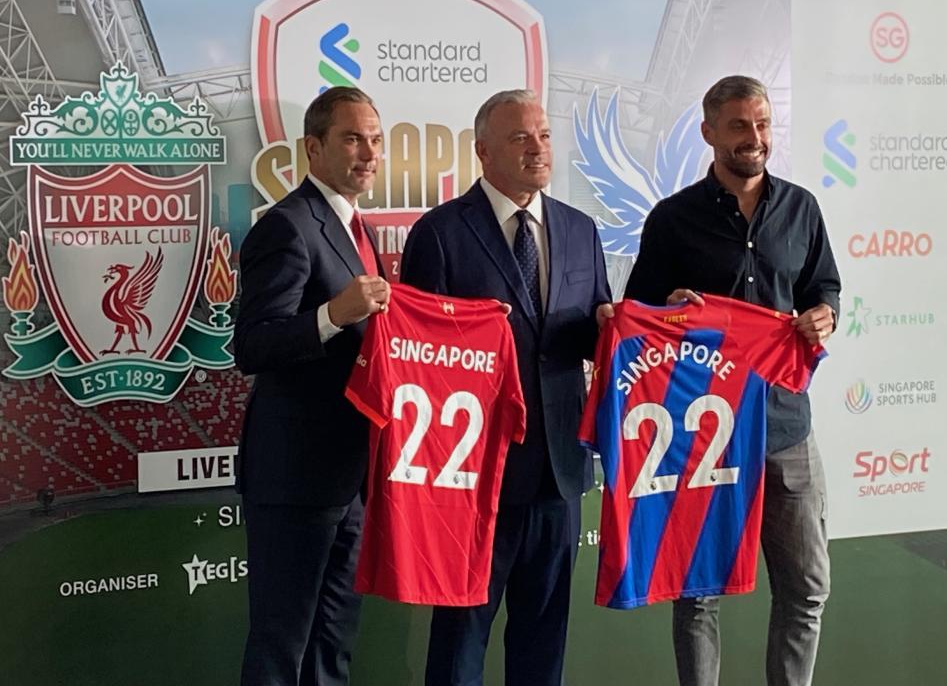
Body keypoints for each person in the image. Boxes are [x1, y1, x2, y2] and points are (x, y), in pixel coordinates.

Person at [624, 75, 841, 686]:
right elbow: (638, 314)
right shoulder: (672, 219)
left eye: (764, 125)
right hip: (704, 436)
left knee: (806, 590)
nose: (755, 138)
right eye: (741, 126)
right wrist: (670, 308)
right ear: (709, 132)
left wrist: (826, 313)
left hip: (785, 427)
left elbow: (823, 285)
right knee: (697, 593)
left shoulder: (801, 207)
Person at [401, 89, 613, 686]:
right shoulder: (439, 234)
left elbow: (594, 329)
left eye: (544, 136)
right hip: (475, 477)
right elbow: (421, 360)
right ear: (483, 151)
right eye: (521, 137)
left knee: (543, 641)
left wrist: (644, 325)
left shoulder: (579, 229)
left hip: (560, 472)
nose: (537, 149)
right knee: (459, 642)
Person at [234, 86, 390, 686]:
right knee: (281, 647)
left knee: (332, 646)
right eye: (352, 139)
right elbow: (253, 345)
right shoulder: (286, 227)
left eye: (375, 140)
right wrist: (333, 314)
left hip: (350, 479)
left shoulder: (356, 226)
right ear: (313, 148)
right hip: (295, 478)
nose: (368, 153)